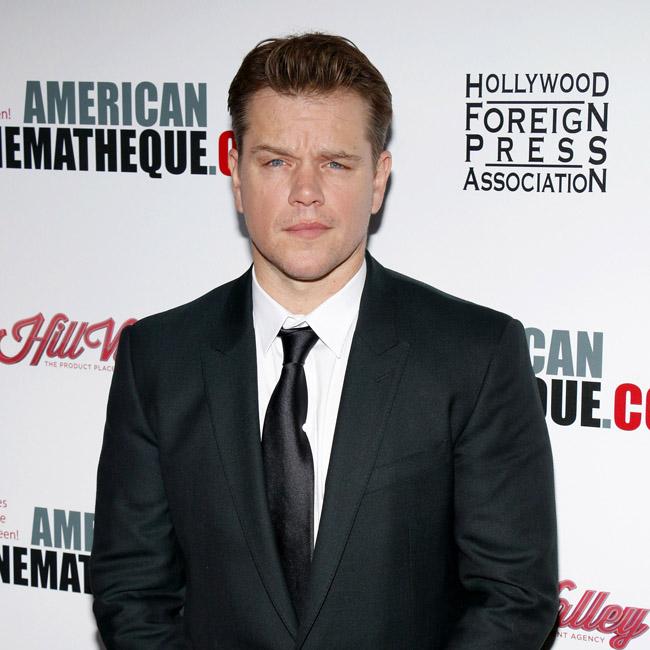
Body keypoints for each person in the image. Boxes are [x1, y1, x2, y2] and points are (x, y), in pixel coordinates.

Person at [90, 33, 558, 649]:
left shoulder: (475, 356)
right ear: (236, 174)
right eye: (276, 162)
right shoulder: (157, 358)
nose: (305, 191)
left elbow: (514, 597)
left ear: (378, 179)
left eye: (335, 163)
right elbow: (131, 592)